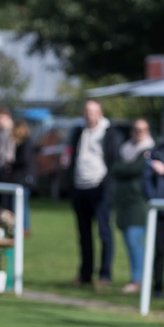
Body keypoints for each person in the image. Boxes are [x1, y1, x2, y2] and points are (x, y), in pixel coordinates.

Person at [69, 99, 121, 288]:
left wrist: (107, 185)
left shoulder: (109, 133)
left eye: (93, 111)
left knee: (104, 232)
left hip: (100, 187)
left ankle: (105, 274)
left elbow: (114, 160)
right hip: (79, 186)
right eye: (87, 111)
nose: (89, 115)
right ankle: (85, 274)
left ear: (100, 113)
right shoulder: (78, 131)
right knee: (84, 234)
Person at [110, 118, 156, 295]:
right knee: (129, 242)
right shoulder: (125, 148)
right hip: (123, 202)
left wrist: (123, 169)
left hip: (138, 203)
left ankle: (138, 279)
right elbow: (115, 168)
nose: (139, 132)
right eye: (136, 129)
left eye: (142, 129)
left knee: (135, 240)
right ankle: (136, 278)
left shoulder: (149, 150)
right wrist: (122, 169)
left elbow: (134, 169)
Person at [144, 117, 164, 298]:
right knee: (159, 250)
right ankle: (158, 286)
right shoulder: (158, 149)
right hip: (161, 205)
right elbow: (146, 177)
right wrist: (153, 197)